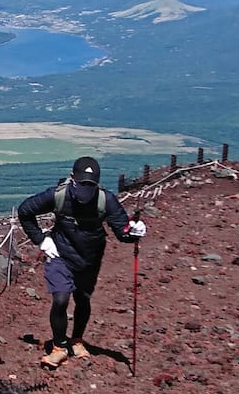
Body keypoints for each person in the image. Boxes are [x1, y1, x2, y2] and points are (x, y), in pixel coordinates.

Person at [17, 155, 146, 369]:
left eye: (89, 185)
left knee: (83, 299)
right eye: (81, 183)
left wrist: (134, 232)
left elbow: (123, 231)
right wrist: (42, 241)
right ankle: (59, 347)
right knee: (60, 299)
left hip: (89, 257)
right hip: (60, 254)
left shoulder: (106, 200)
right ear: (72, 178)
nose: (85, 189)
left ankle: (77, 340)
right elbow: (25, 211)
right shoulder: (58, 195)